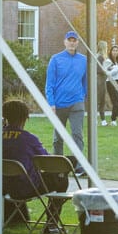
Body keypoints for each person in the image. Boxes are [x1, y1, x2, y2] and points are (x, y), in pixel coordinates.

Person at [0, 99, 68, 234]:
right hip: (26, 187)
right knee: (61, 177)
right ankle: (52, 224)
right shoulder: (29, 139)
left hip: (2, 186)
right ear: (25, 118)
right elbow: (48, 162)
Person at [45, 30, 88, 172]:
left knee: (77, 135)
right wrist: (51, 103)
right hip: (59, 104)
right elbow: (49, 84)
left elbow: (85, 81)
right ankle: (58, 165)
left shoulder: (83, 60)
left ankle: (79, 166)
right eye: (69, 40)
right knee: (58, 137)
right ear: (64, 42)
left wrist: (83, 96)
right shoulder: (55, 59)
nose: (72, 42)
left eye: (74, 40)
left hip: (77, 102)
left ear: (77, 42)